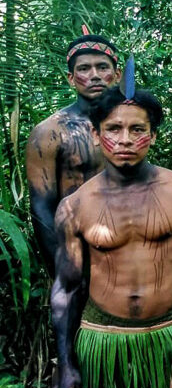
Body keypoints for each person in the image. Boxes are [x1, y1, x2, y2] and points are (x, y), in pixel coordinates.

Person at [50, 65, 172, 388]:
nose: (125, 139)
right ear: (96, 135)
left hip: (171, 331)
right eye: (113, 129)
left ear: (153, 136)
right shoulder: (75, 207)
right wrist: (65, 364)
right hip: (104, 338)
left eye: (137, 129)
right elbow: (65, 288)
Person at [27, 28, 121, 274]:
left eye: (102, 67)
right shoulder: (50, 131)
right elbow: (41, 207)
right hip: (77, 250)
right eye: (84, 69)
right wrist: (63, 269)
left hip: (128, 250)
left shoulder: (131, 126)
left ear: (117, 75)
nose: (95, 75)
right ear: (71, 78)